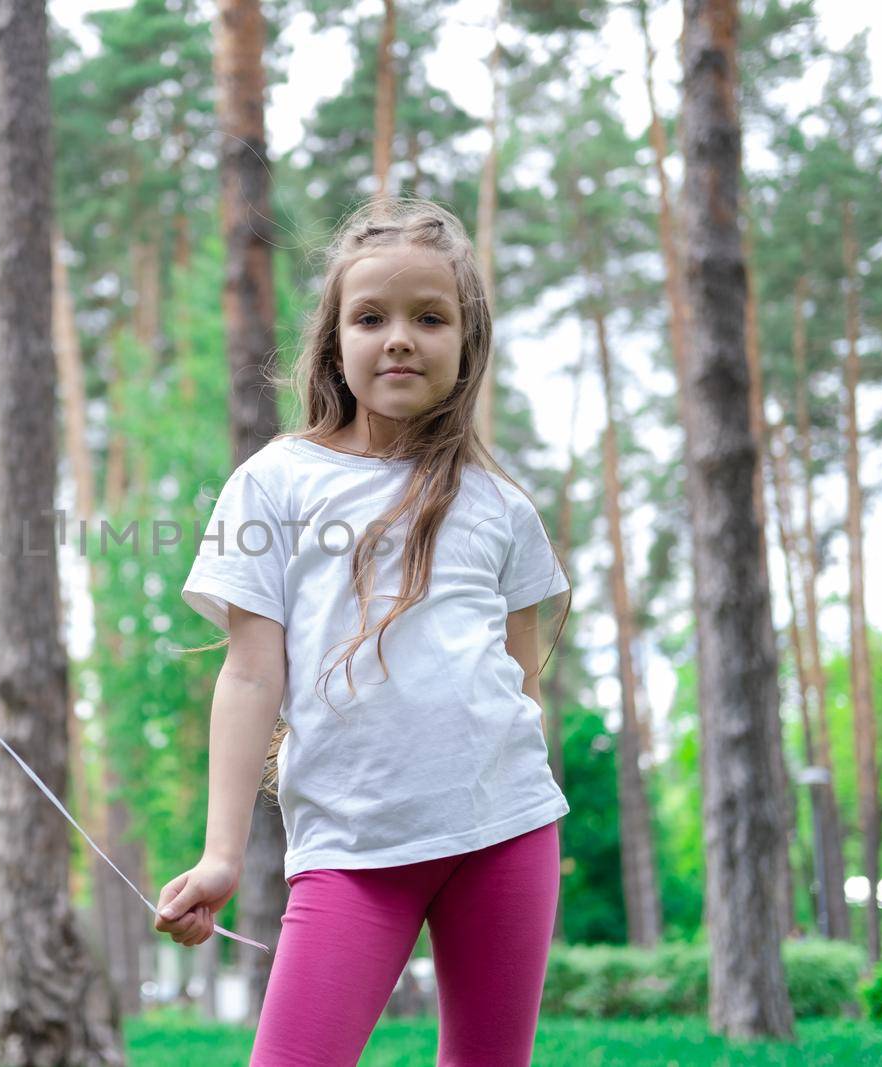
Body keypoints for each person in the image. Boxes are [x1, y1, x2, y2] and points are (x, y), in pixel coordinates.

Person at [154, 195, 574, 1067]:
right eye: (370, 316)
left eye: (431, 317)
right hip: (350, 850)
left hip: (504, 837)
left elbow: (522, 684)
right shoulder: (275, 483)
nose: (400, 338)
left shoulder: (501, 506)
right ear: (335, 342)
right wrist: (221, 852)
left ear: (467, 342)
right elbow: (247, 677)